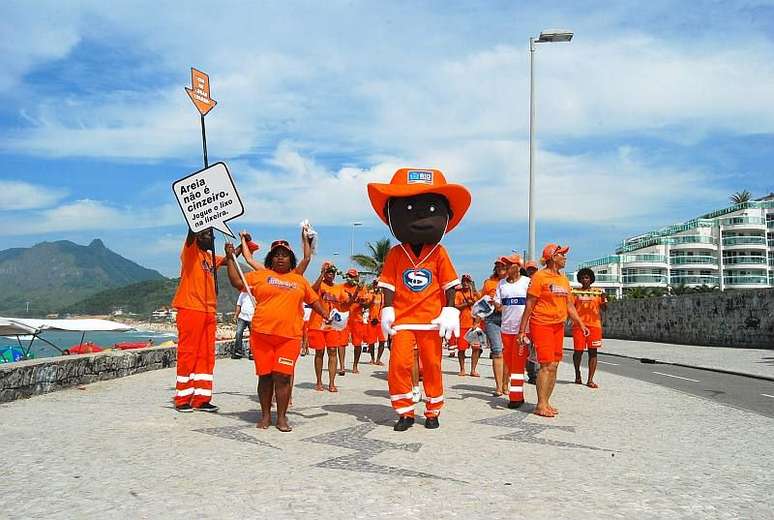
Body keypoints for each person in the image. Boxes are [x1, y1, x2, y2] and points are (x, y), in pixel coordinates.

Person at [367, 167, 471, 431]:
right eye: (410, 207)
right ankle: (405, 411)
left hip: (431, 321)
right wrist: (388, 309)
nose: (421, 214)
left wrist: (450, 310)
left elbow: (449, 284)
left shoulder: (438, 252)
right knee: (399, 365)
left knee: (432, 365)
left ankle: (433, 409)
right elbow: (388, 284)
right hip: (403, 320)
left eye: (431, 209)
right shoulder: (396, 253)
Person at [225, 237, 329, 432]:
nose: (280, 258)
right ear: (270, 259)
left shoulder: (299, 280)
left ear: (291, 259)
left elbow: (313, 300)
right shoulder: (260, 276)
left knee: (282, 376)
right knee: (265, 377)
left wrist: (325, 314)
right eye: (276, 255)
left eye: (285, 255)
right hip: (262, 335)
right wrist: (231, 258)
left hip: (289, 338)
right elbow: (236, 281)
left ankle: (281, 417)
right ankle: (265, 416)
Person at [171, 228, 243, 413]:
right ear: (197, 237)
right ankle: (182, 398)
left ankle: (202, 398)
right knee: (188, 353)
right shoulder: (191, 252)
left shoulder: (210, 258)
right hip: (190, 308)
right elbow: (190, 234)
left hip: (209, 311)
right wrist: (196, 221)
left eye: (210, 235)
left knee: (206, 355)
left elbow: (230, 259)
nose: (208, 237)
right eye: (204, 234)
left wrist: (243, 245)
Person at [518, 244, 588, 418]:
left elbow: (569, 305)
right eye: (562, 254)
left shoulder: (563, 279)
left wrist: (580, 323)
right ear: (552, 256)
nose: (565, 257)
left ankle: (546, 402)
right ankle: (540, 404)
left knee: (554, 365)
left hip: (558, 326)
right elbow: (530, 304)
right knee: (546, 365)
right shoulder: (540, 277)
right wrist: (522, 331)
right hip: (542, 324)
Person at [494, 255, 530, 408]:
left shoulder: (527, 282)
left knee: (518, 364)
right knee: (509, 362)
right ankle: (516, 394)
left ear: (518, 266)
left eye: (509, 264)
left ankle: (516, 397)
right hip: (506, 329)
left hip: (522, 331)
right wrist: (494, 303)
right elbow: (498, 305)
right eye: (505, 265)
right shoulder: (501, 284)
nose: (506, 267)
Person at [308, 262, 350, 392]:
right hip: (317, 324)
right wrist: (321, 273)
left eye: (332, 272)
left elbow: (347, 303)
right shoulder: (320, 284)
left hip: (332, 325)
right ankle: (319, 381)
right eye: (328, 272)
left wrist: (355, 293)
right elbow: (312, 290)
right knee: (319, 352)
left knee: (332, 351)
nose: (330, 274)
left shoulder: (338, 288)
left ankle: (332, 382)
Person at [571, 268, 607, 388]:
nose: (585, 279)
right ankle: (577, 374)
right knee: (578, 352)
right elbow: (570, 308)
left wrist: (604, 298)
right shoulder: (575, 293)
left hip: (594, 326)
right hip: (579, 326)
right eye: (582, 278)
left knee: (593, 352)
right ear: (580, 279)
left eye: (587, 277)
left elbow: (605, 308)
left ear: (591, 279)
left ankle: (590, 380)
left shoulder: (597, 292)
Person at [481, 259, 508, 395]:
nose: (499, 268)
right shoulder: (489, 282)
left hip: (509, 318)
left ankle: (505, 384)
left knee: (507, 353)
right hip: (492, 319)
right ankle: (498, 386)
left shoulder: (513, 282)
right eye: (497, 266)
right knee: (497, 351)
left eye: (502, 266)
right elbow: (481, 303)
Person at [454, 274, 481, 376]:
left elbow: (482, 302)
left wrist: (474, 290)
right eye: (464, 281)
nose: (465, 283)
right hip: (462, 325)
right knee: (461, 349)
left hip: (474, 324)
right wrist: (467, 304)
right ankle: (462, 369)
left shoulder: (474, 293)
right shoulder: (458, 294)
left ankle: (473, 370)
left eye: (467, 281)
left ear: (470, 283)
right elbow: (456, 306)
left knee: (476, 348)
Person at [523, 260, 539, 384]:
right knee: (526, 347)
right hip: (526, 318)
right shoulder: (522, 283)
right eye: (529, 270)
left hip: (538, 318)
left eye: (533, 270)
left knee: (536, 347)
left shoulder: (539, 282)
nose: (531, 272)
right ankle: (530, 372)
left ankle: (534, 374)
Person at [365, 280, 387, 365]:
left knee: (382, 341)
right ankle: (372, 358)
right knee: (371, 341)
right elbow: (365, 306)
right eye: (375, 284)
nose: (376, 286)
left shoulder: (383, 296)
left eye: (378, 285)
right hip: (372, 321)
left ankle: (378, 359)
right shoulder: (370, 295)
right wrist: (372, 298)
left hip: (381, 321)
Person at [232, 290, 255, 359]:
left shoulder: (256, 293)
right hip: (242, 317)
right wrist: (236, 315)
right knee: (238, 332)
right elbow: (239, 305)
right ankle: (238, 352)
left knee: (253, 336)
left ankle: (252, 353)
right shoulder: (243, 293)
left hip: (253, 317)